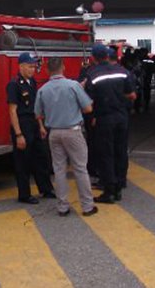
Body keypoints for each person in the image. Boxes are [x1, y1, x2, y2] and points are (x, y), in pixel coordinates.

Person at [35, 57, 97, 217]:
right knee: (80, 168)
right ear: (63, 67)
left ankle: (62, 207)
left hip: (54, 133)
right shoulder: (73, 85)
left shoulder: (43, 89)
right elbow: (88, 108)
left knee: (59, 169)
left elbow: (38, 114)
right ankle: (87, 206)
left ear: (47, 71)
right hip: (73, 131)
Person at [85, 44, 137, 203]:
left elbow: (89, 103)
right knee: (120, 151)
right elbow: (132, 95)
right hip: (121, 117)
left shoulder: (92, 75)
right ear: (108, 56)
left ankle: (109, 191)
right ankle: (120, 186)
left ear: (93, 58)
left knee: (106, 154)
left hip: (104, 119)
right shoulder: (123, 72)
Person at [6, 52, 55, 204]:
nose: (33, 69)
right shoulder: (14, 84)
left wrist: (40, 125)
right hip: (22, 124)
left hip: (33, 123)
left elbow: (36, 107)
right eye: (29, 66)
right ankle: (24, 194)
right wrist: (19, 134)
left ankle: (46, 189)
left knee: (41, 157)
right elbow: (12, 110)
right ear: (20, 66)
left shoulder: (32, 82)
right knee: (23, 161)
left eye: (34, 66)